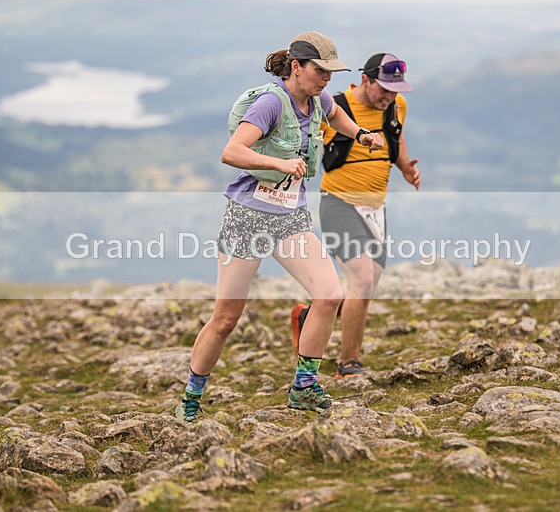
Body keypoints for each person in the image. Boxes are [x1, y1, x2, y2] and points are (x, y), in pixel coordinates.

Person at [174, 32, 385, 423]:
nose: (326, 80)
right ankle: (191, 394)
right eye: (320, 71)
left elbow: (336, 116)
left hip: (290, 216)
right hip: (248, 217)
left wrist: (362, 135)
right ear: (296, 67)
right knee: (226, 319)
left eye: (331, 72)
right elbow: (231, 151)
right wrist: (280, 164)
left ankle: (304, 386)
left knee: (328, 295)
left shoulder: (318, 99)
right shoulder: (272, 103)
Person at [291, 53, 420, 378]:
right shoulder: (335, 106)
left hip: (376, 209)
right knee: (361, 278)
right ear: (366, 80)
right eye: (383, 90)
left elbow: (397, 135)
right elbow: (304, 140)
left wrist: (404, 166)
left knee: (367, 286)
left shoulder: (396, 106)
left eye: (394, 91)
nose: (389, 98)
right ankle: (348, 364)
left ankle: (309, 317)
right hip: (338, 204)